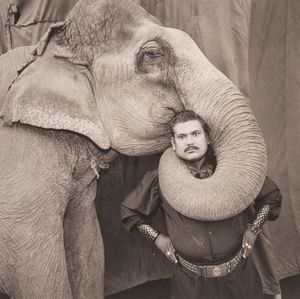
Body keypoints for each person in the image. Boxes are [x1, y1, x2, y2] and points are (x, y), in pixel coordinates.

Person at [121, 110, 282, 299]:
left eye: (195, 134)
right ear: (173, 144)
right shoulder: (161, 178)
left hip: (239, 279)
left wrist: (254, 229)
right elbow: (129, 212)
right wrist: (157, 238)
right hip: (191, 286)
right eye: (182, 136)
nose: (189, 142)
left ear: (207, 138)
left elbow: (271, 197)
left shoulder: (234, 168)